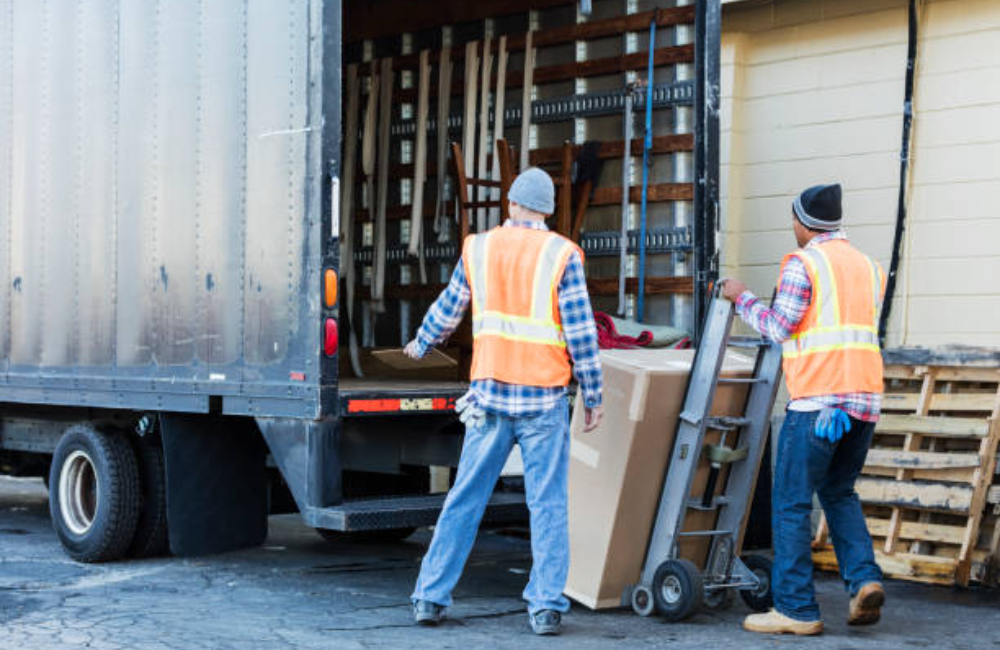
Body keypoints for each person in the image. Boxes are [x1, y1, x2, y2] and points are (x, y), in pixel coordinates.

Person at [405, 167, 604, 635]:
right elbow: (581, 333)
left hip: (489, 399)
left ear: (511, 203)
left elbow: (450, 307)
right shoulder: (562, 254)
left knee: (464, 499)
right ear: (548, 211)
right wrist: (593, 393)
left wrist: (421, 342)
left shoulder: (479, 247)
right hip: (544, 401)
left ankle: (430, 597)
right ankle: (545, 606)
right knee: (547, 505)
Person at [721, 183, 886, 636]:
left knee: (792, 503)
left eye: (792, 219)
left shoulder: (804, 263)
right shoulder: (869, 267)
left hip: (818, 402)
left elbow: (778, 328)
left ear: (804, 223)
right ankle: (865, 580)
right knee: (839, 493)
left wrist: (741, 297)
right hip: (864, 402)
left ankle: (796, 609)